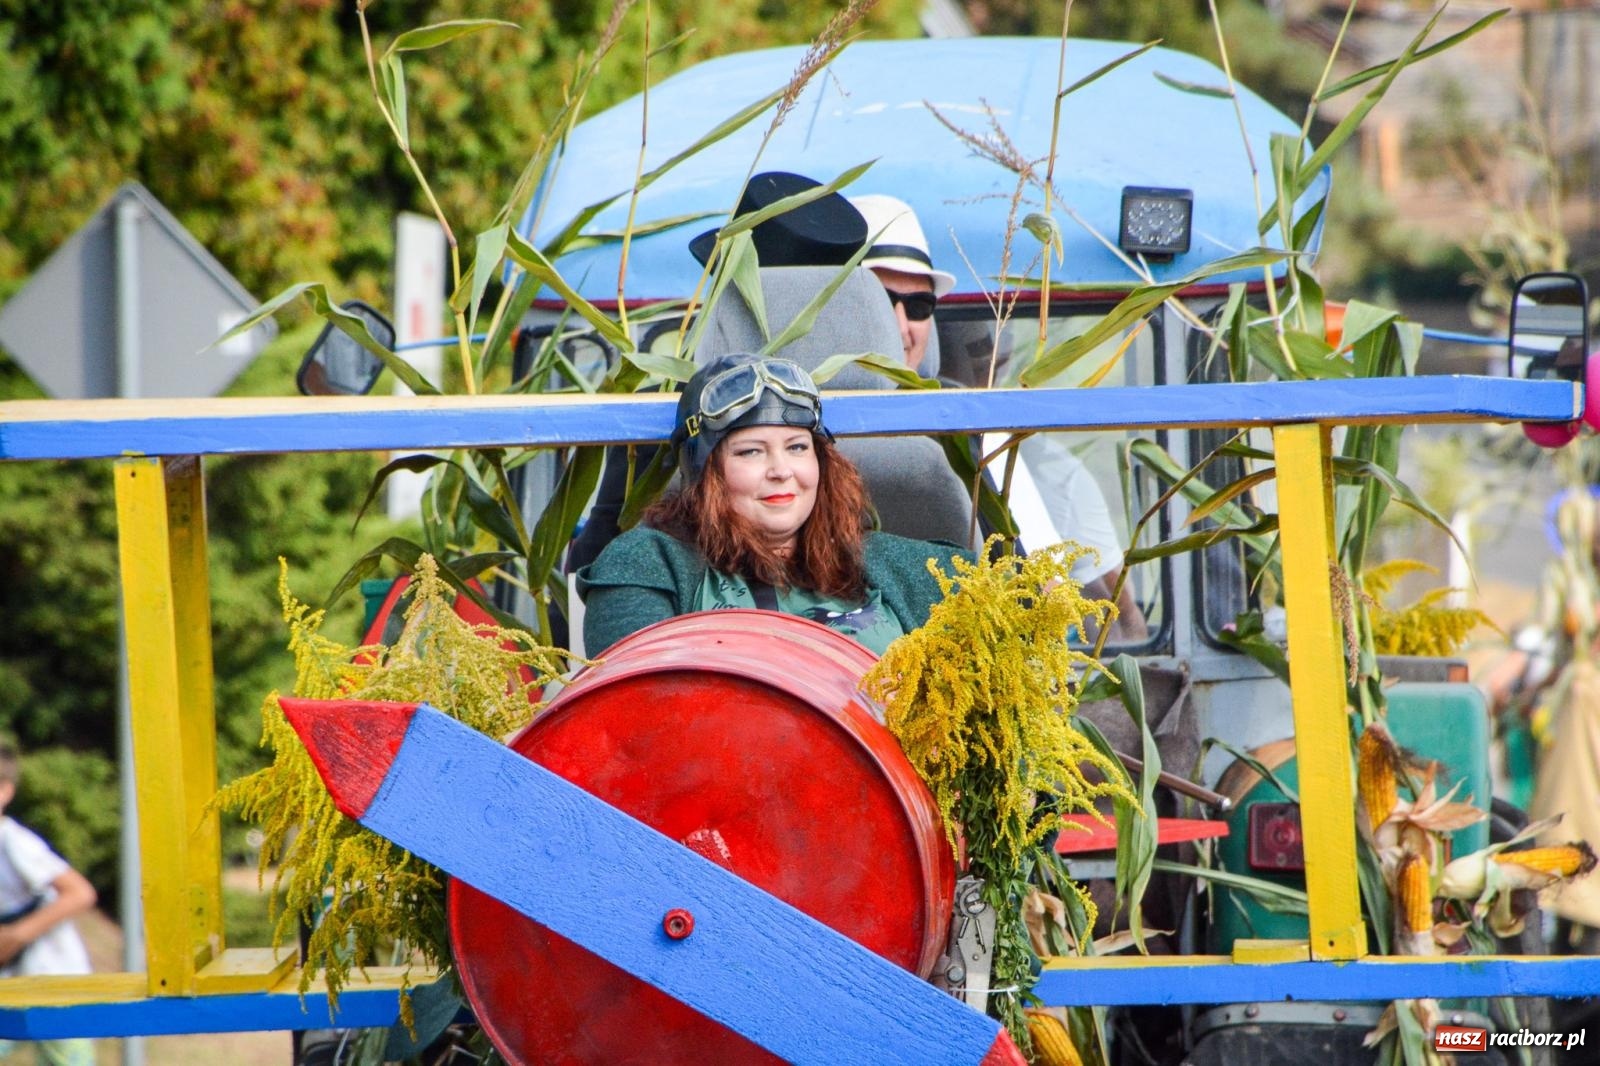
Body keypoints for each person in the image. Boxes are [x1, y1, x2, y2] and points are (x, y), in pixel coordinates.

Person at [851, 194, 1148, 639]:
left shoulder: (980, 435)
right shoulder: (775, 438)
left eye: (918, 307)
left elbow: (1054, 603)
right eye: (877, 302)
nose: (899, 325)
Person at [578, 354, 975, 656]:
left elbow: (1021, 594)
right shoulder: (648, 564)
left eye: (798, 448)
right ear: (706, 472)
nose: (781, 470)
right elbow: (634, 710)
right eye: (751, 452)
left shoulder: (888, 564)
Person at [0, 739, 97, 1066]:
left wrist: (17, 935)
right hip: (15, 979)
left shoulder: (13, 842)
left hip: (54, 975)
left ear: (5, 792)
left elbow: (79, 893)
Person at [850, 194, 956, 374]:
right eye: (880, 303)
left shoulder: (959, 402)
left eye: (919, 306)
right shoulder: (800, 402)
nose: (901, 328)